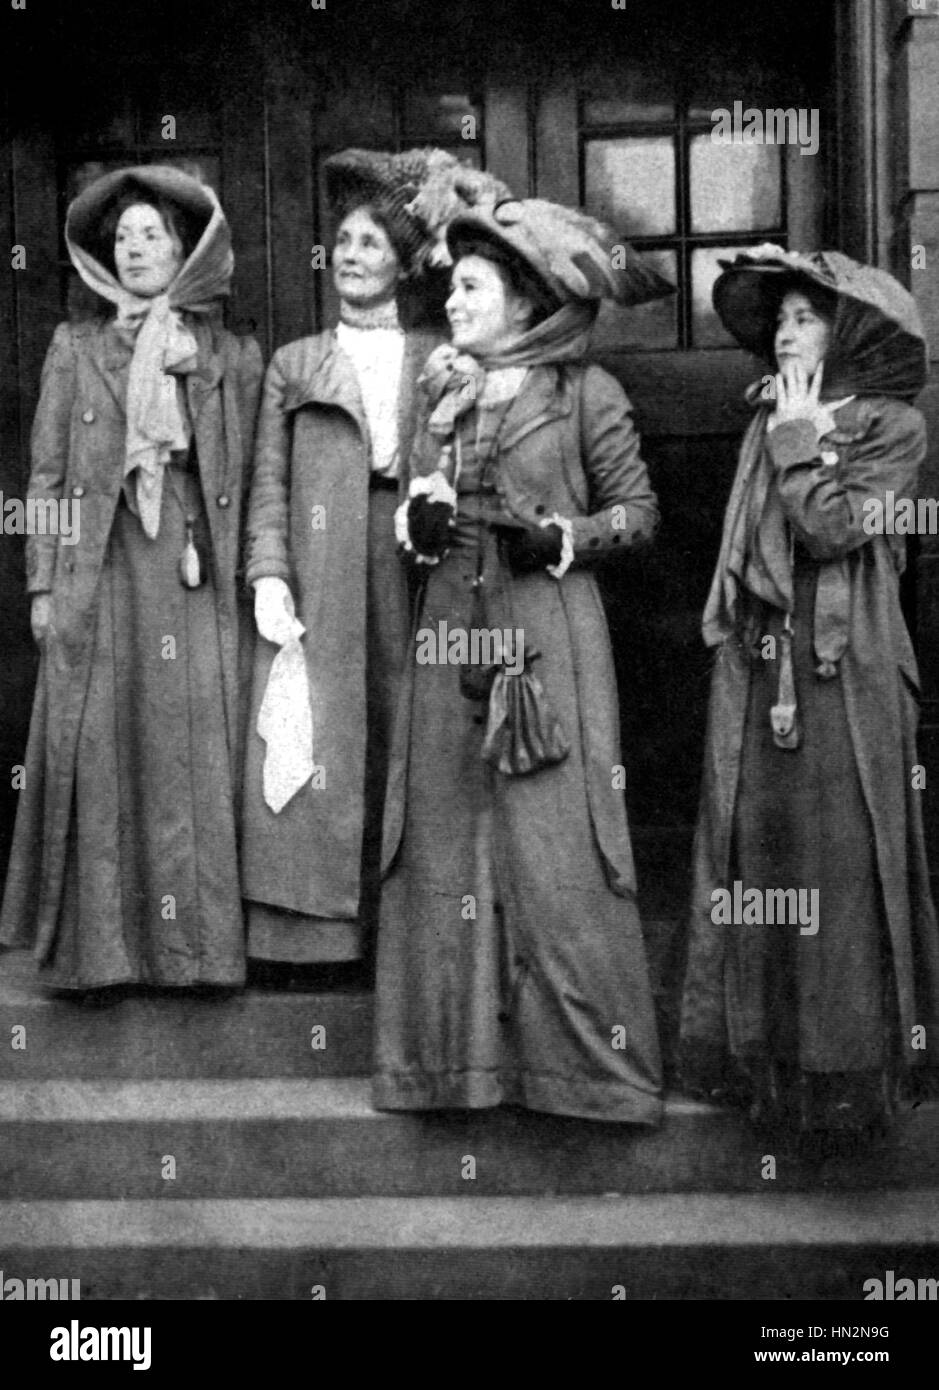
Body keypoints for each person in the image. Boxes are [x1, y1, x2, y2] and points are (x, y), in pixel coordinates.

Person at [374, 197, 673, 1121]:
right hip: (451, 636)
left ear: (521, 302)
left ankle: (580, 1075)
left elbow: (638, 513)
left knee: (555, 842)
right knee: (443, 835)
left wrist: (569, 539)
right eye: (452, 289)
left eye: (470, 289)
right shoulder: (441, 390)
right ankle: (450, 1068)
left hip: (547, 632)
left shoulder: (584, 394)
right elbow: (416, 513)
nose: (452, 304)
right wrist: (417, 530)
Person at [679, 245, 939, 1146]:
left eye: (804, 318)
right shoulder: (767, 416)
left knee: (838, 867)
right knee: (764, 862)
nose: (785, 334)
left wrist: (799, 446)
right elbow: (747, 547)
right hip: (761, 665)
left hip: (844, 669)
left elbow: (833, 530)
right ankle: (768, 1074)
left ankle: (843, 1087)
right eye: (780, 319)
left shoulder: (892, 426)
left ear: (845, 333)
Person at [0, 165, 263, 990]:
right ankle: (101, 955)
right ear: (104, 259)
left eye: (153, 234)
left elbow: (255, 471)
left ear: (184, 251)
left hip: (190, 571)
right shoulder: (74, 347)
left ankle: (195, 955)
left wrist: (193, 376)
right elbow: (43, 480)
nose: (137, 246)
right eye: (124, 237)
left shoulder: (228, 354)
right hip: (99, 571)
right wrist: (43, 586)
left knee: (186, 756)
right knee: (102, 749)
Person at [241, 149, 472, 968]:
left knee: (411, 728)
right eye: (342, 241)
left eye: (371, 243)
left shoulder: (438, 351)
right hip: (321, 553)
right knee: (322, 735)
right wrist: (270, 571)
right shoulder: (295, 363)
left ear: (405, 262)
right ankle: (314, 939)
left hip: (413, 559)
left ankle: (404, 938)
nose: (350, 255)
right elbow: (267, 480)